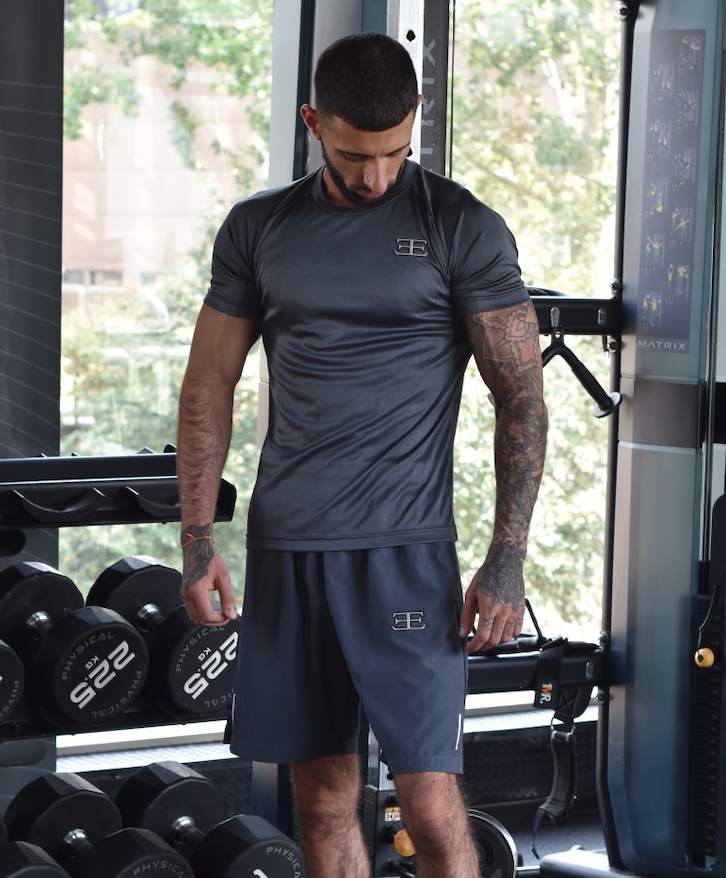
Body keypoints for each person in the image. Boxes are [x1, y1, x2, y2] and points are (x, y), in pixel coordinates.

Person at [177, 31, 547, 878]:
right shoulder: (257, 228)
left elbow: (521, 396)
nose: (374, 175)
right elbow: (208, 387)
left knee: (427, 800)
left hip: (406, 554)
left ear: (415, 120)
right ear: (312, 123)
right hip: (290, 547)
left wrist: (507, 557)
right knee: (322, 800)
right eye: (352, 155)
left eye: (391, 152)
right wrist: (198, 541)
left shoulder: (462, 227)